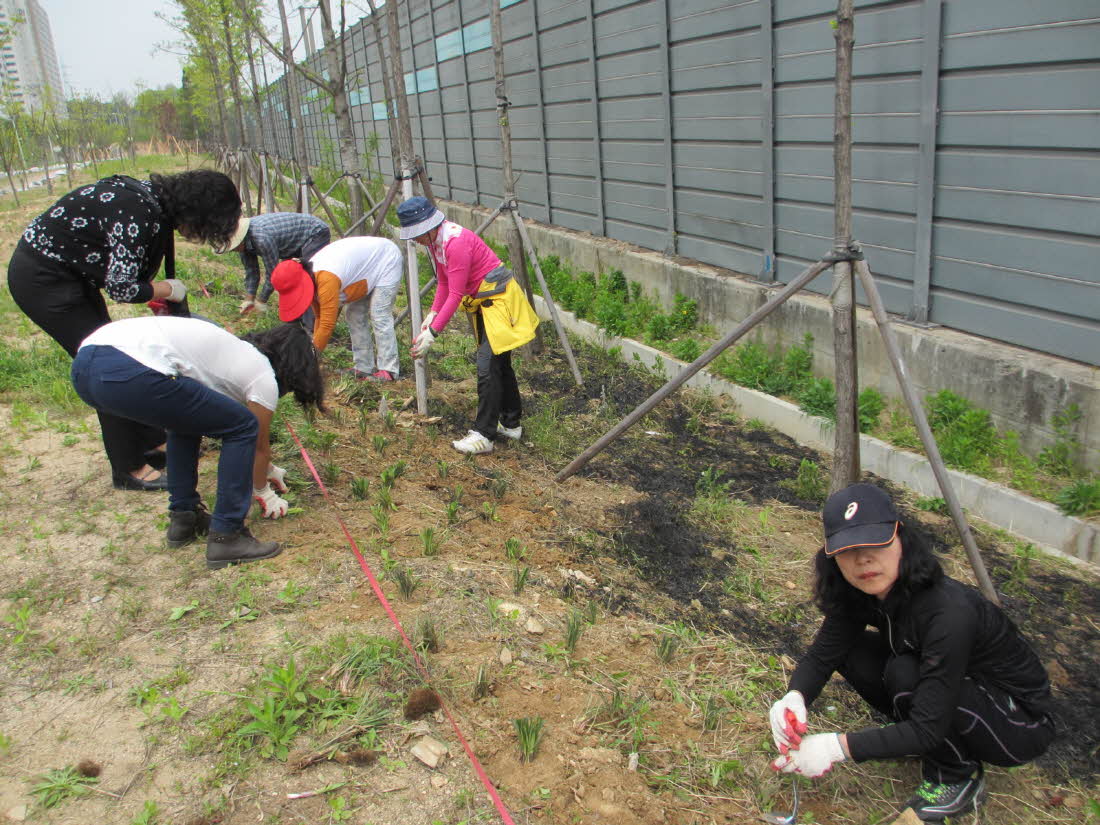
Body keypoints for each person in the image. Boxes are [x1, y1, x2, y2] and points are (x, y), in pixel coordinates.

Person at [768, 483, 1053, 822]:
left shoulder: (947, 611)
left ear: (900, 537)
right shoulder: (859, 590)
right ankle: (916, 742)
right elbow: (822, 656)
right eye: (848, 549)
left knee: (904, 673)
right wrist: (794, 698)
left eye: (876, 543)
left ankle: (955, 776)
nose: (864, 560)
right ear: (831, 555)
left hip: (1015, 722)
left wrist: (835, 747)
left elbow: (927, 727)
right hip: (954, 695)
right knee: (854, 649)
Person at [7, 169, 242, 491]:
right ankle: (129, 468)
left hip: (72, 277)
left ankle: (153, 442)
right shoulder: (138, 211)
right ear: (197, 209)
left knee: (120, 357)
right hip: (43, 281)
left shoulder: (154, 201)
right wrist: (165, 289)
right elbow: (122, 288)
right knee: (108, 368)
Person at [70, 316, 325, 570]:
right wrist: (264, 492)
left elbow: (223, 426)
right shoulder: (263, 377)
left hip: (86, 368)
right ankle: (228, 535)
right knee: (242, 426)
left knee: (186, 423)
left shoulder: (231, 354)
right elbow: (258, 444)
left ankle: (184, 518)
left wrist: (267, 469)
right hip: (128, 367)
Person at [397, 196, 539, 454]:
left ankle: (484, 435)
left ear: (429, 227)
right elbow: (443, 283)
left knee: (488, 367)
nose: (415, 240)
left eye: (417, 234)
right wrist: (432, 315)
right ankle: (511, 424)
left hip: (499, 302)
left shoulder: (456, 243)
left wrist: (433, 333)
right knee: (499, 365)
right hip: (485, 303)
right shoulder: (436, 243)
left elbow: (456, 293)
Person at [269, 235, 404, 381]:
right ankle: (364, 367)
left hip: (385, 259)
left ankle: (389, 371)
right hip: (363, 271)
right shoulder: (311, 278)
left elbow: (327, 324)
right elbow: (320, 317)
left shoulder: (325, 279)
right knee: (353, 314)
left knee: (379, 314)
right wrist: (313, 350)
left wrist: (309, 357)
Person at [214, 212, 331, 315]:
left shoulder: (262, 239)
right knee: (290, 279)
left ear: (239, 240)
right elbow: (251, 270)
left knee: (306, 279)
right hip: (292, 243)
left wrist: (261, 301)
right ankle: (295, 318)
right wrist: (249, 299)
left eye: (232, 248)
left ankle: (312, 324)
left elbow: (273, 273)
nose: (233, 250)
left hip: (314, 233)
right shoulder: (243, 244)